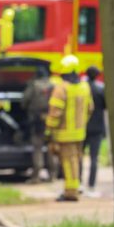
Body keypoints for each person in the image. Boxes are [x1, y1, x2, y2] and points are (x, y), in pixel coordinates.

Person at [45, 55, 93, 202]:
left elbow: (55, 113)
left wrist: (49, 131)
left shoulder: (61, 89)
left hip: (64, 134)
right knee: (76, 161)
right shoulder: (85, 88)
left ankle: (71, 192)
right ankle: (74, 188)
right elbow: (90, 109)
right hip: (80, 133)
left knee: (67, 162)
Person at [21, 65, 54, 182]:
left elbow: (24, 101)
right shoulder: (53, 85)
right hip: (51, 119)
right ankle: (52, 175)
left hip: (36, 119)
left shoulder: (33, 85)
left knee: (38, 147)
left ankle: (36, 176)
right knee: (51, 147)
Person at [82, 66, 107, 196]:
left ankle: (78, 183)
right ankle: (91, 185)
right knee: (94, 158)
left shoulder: (81, 88)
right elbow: (106, 105)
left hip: (82, 126)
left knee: (79, 156)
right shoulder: (100, 89)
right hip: (97, 127)